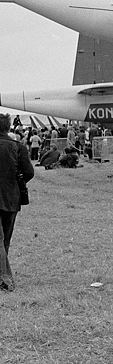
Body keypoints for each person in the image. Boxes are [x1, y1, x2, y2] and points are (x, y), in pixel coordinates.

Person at [0, 114, 33, 291]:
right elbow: (29, 172)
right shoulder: (17, 147)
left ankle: (4, 278)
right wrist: (15, 183)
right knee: (5, 239)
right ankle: (4, 278)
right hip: (10, 197)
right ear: (7, 128)